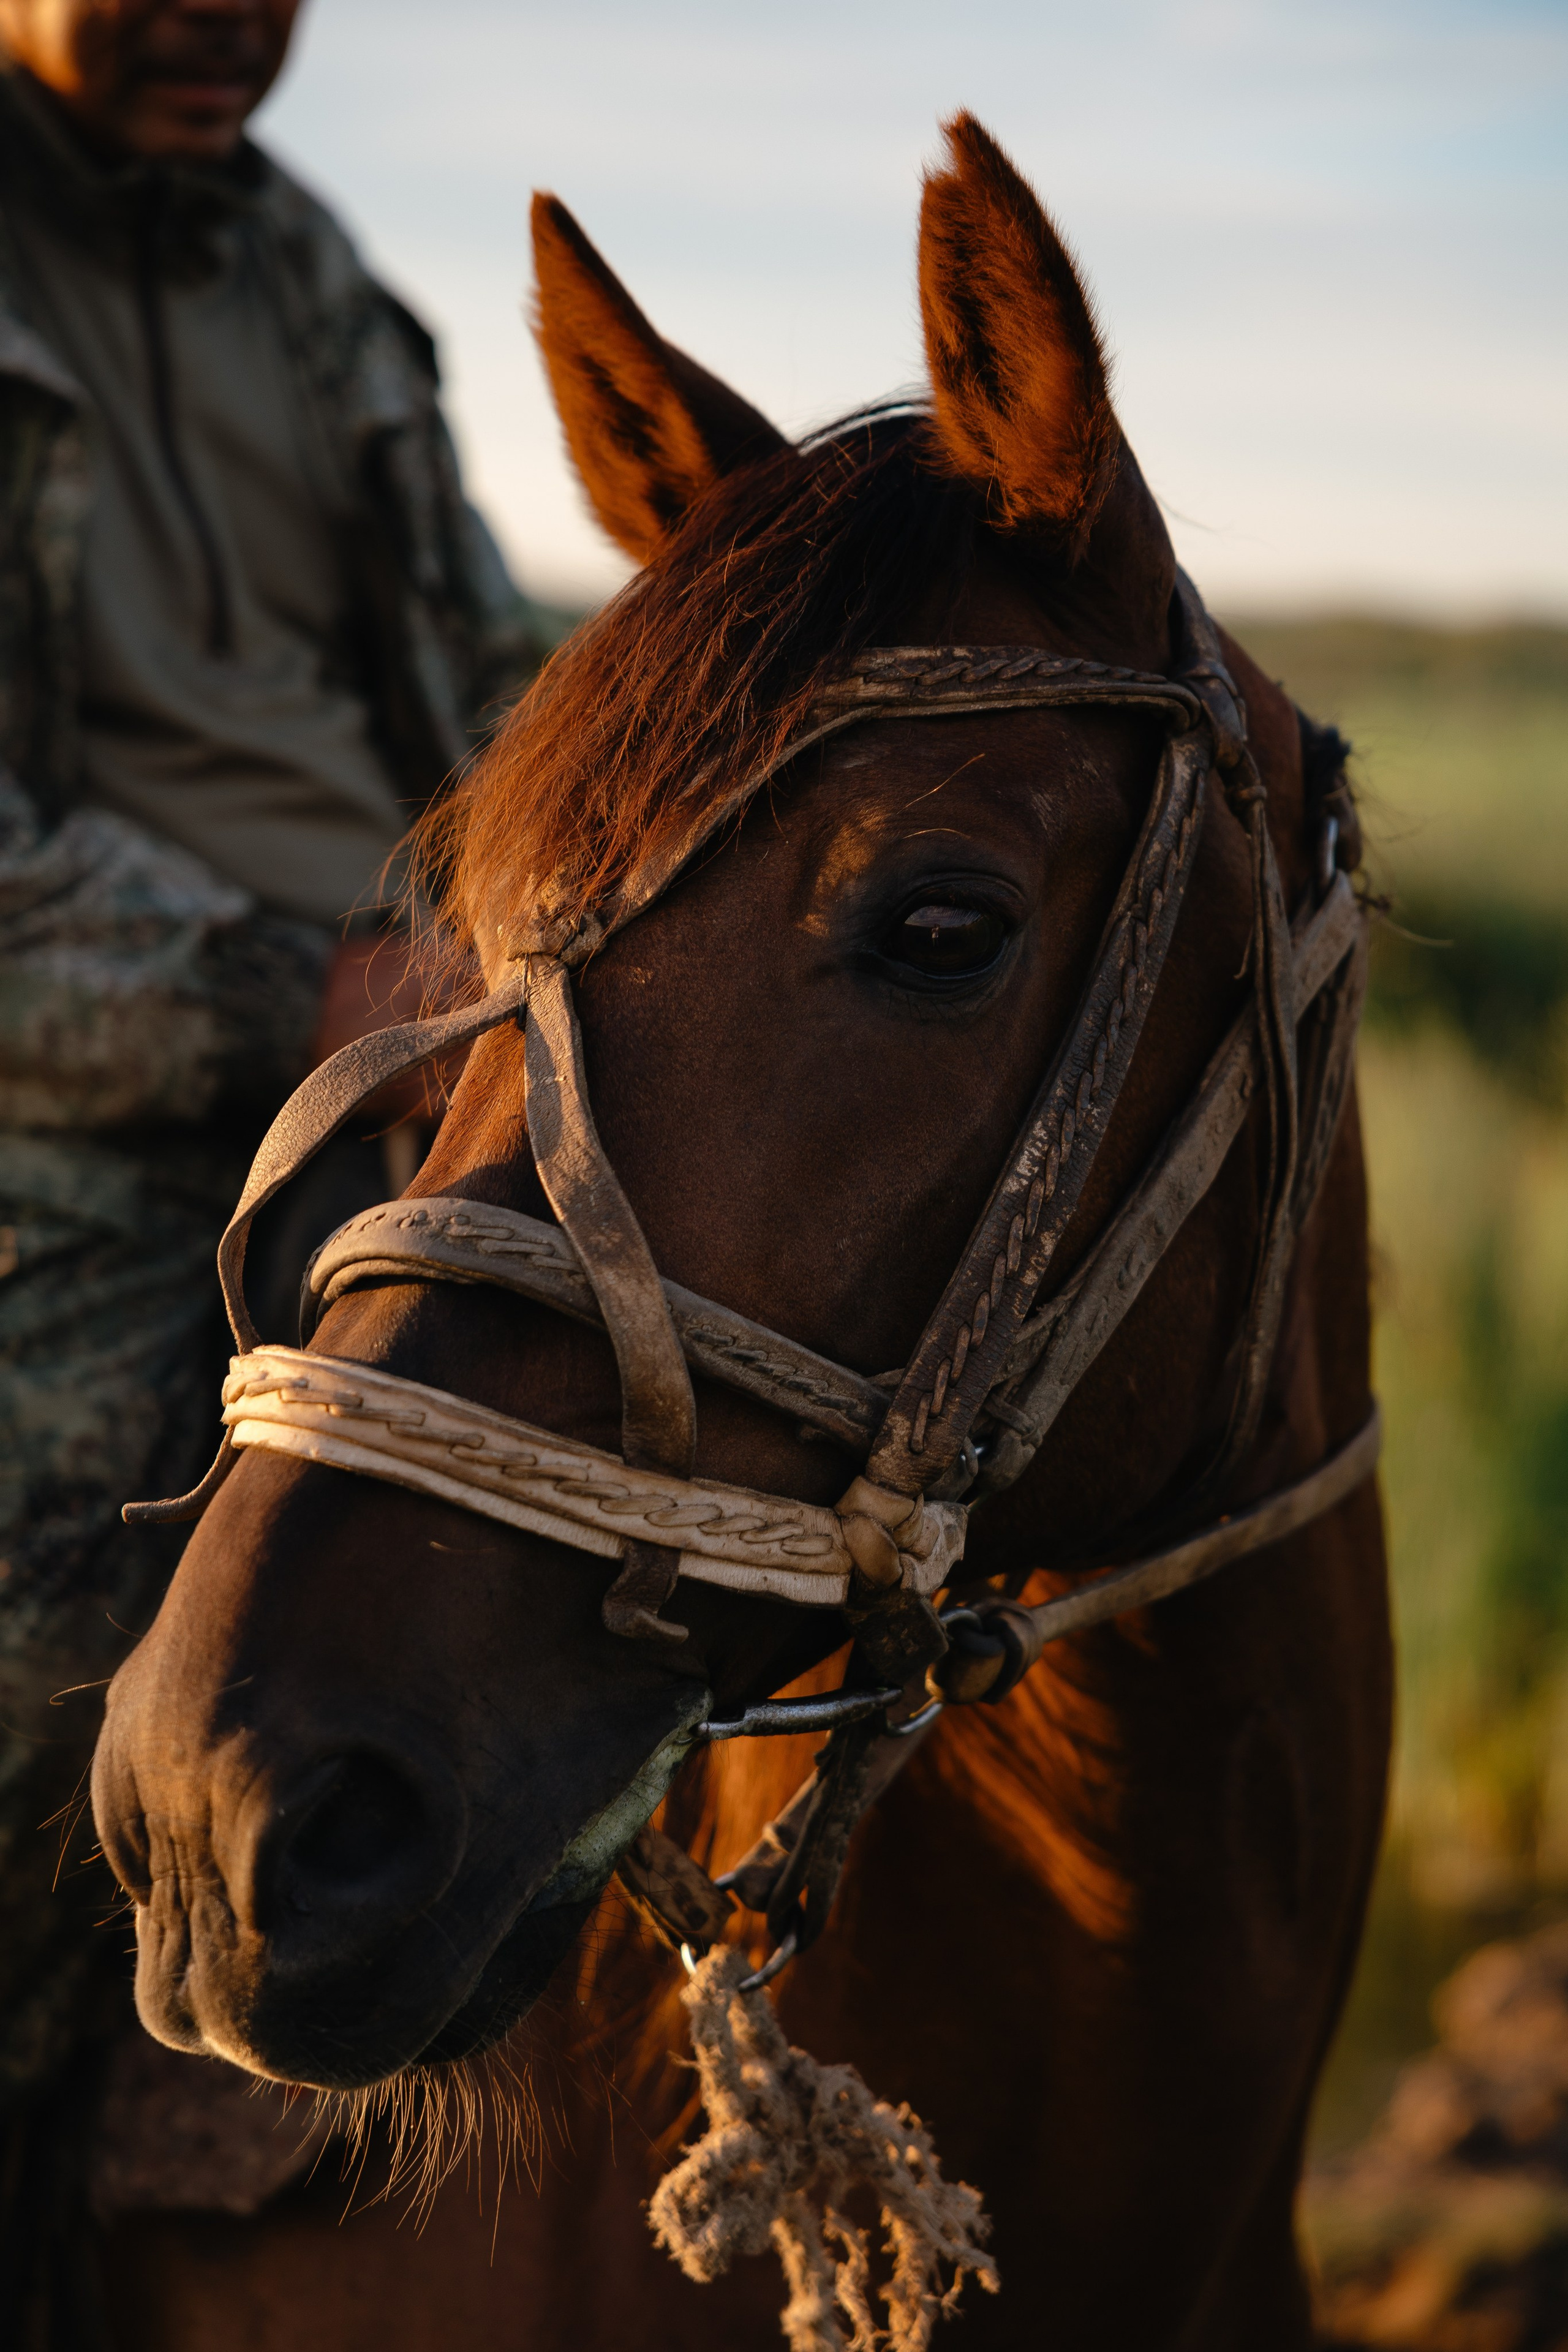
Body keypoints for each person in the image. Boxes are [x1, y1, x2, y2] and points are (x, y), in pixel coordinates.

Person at [0, 0, 540, 2321]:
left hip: (421, 1042)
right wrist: (280, 997)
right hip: (75, 1098)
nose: (228, 12)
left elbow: (497, 679)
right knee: (37, 1652)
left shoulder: (321, 283)